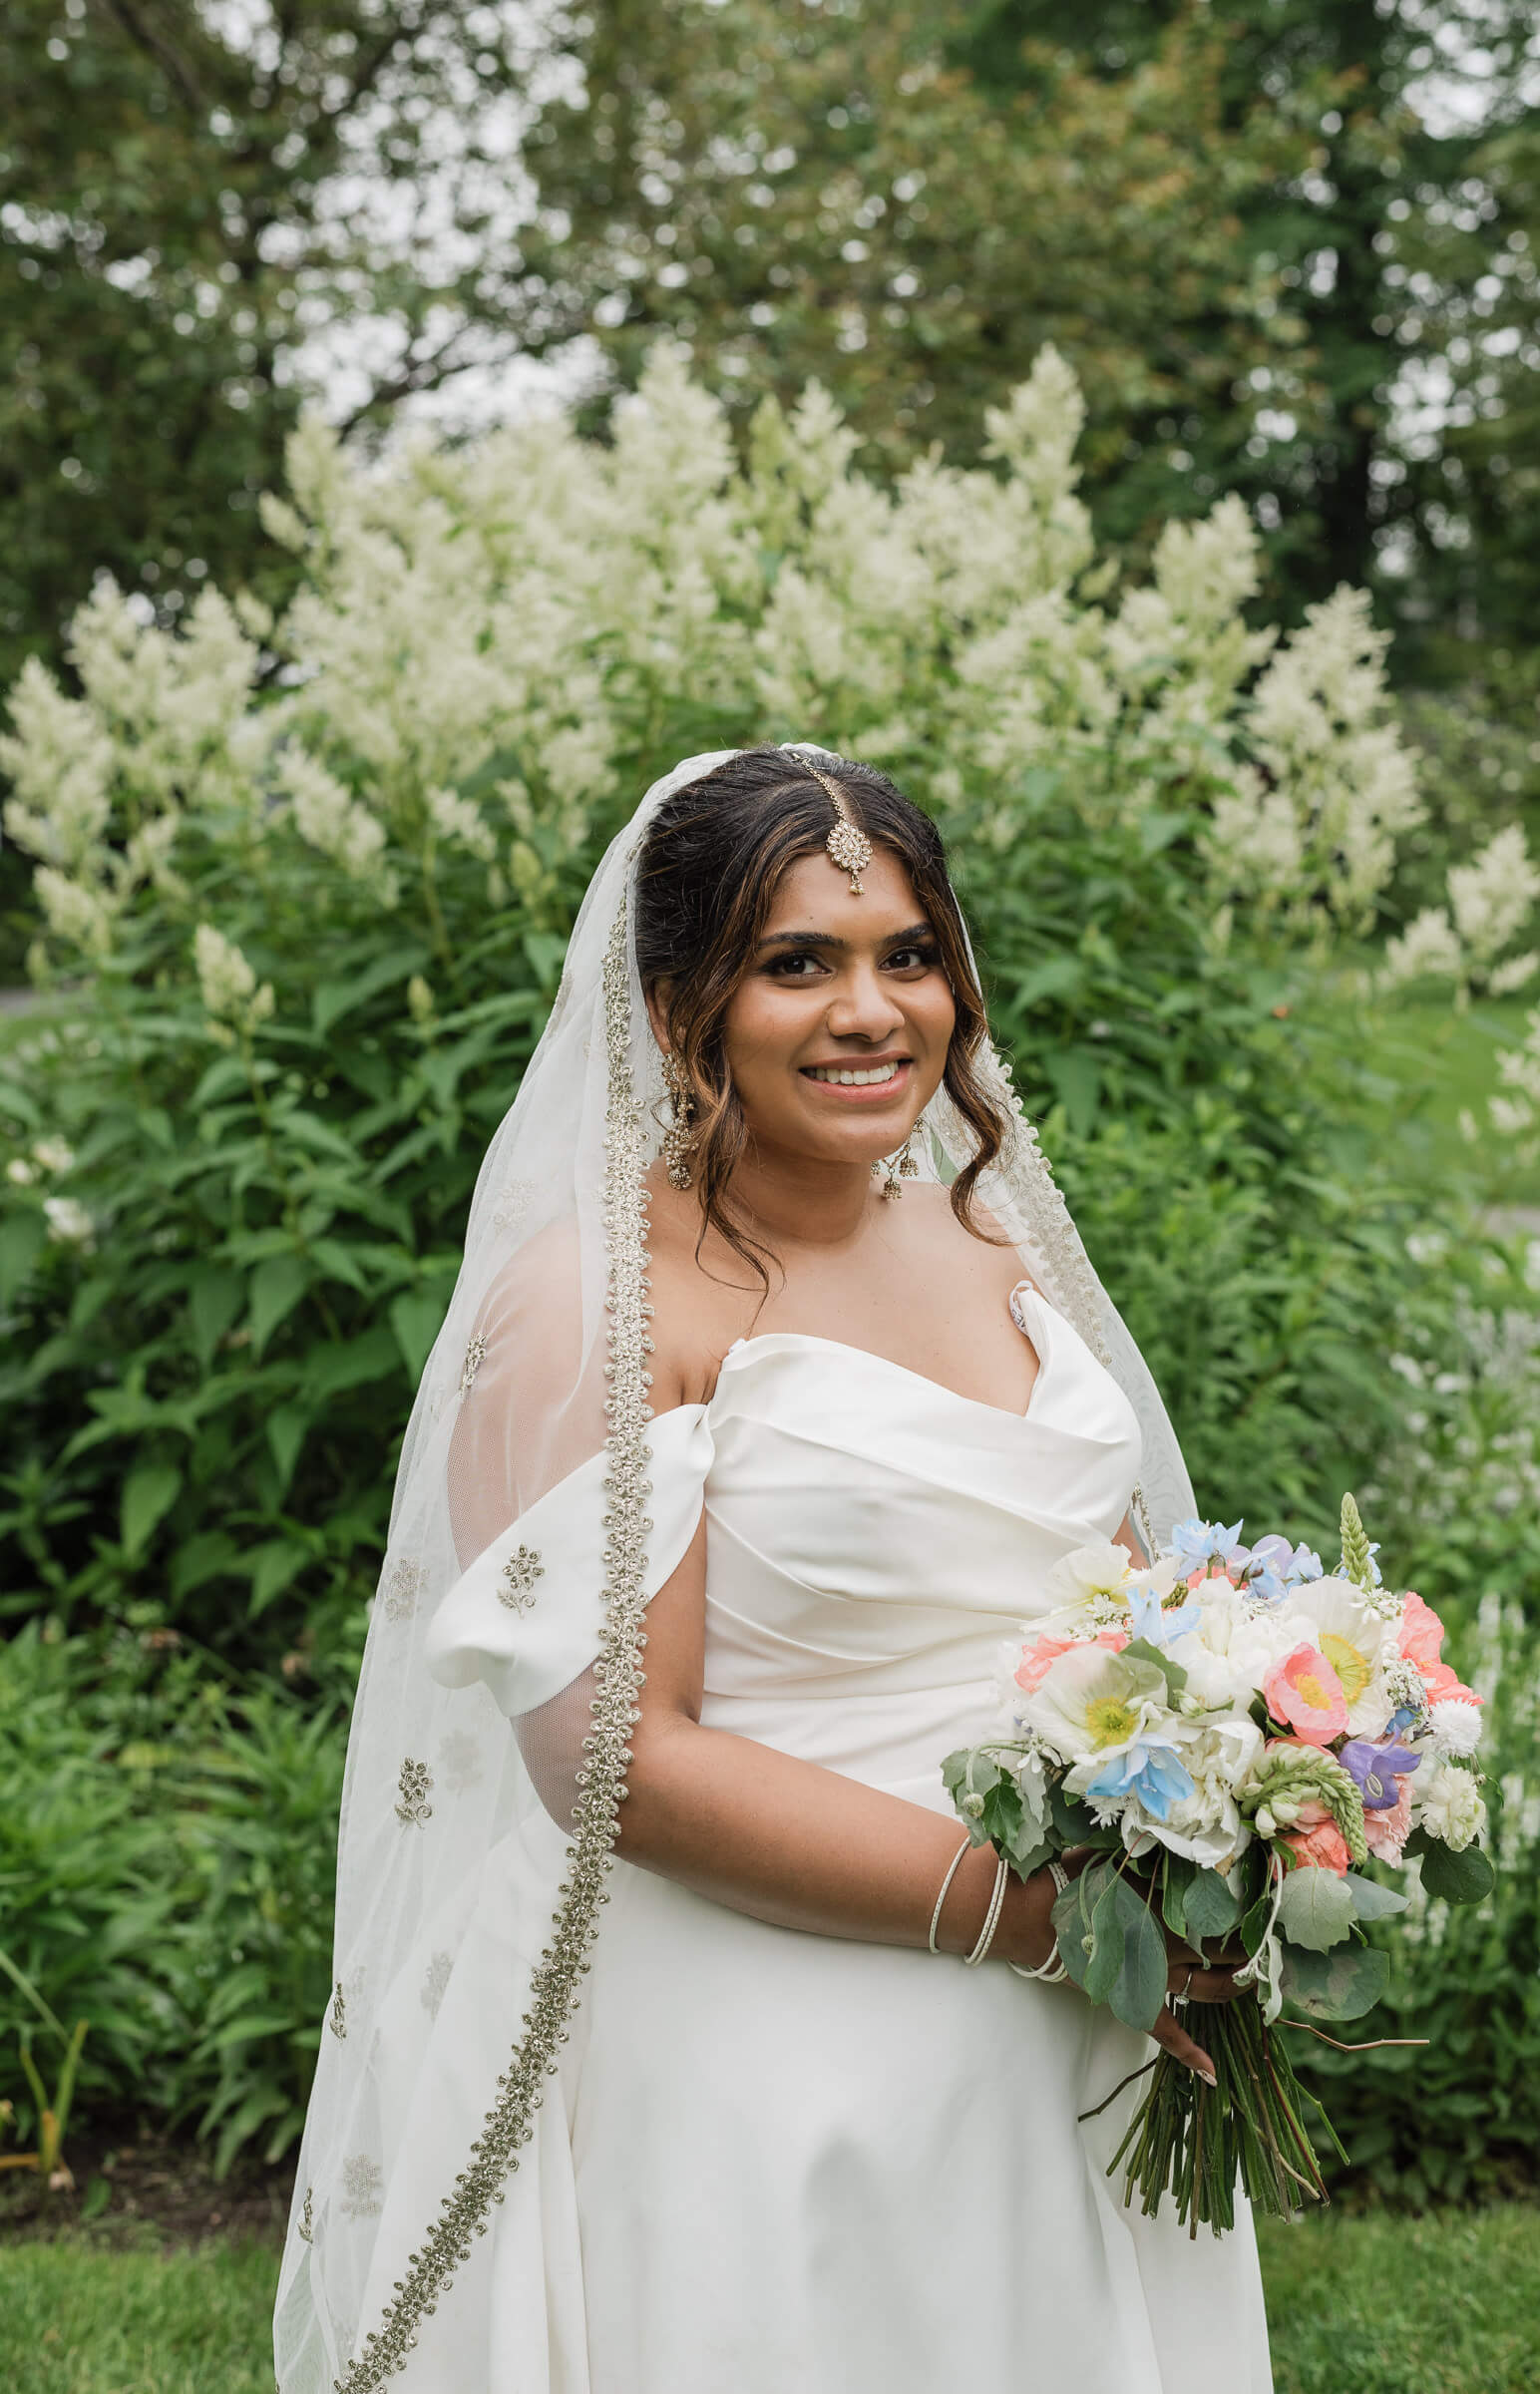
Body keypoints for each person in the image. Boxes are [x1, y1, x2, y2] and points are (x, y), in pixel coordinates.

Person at [275, 745, 1272, 2394]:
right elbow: (620, 1769)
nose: (871, 1010)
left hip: (1081, 2028)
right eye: (794, 962)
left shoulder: (987, 1245)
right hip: (777, 2062)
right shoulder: (600, 1308)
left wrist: (1231, 1821)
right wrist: (1037, 1918)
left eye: (908, 955)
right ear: (675, 1008)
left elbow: (1123, 1614)